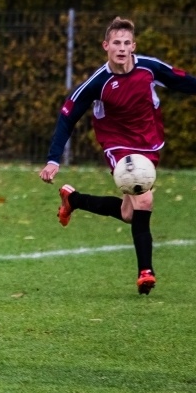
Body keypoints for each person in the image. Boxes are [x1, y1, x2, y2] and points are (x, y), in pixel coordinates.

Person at [39, 16, 196, 295]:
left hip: (149, 143)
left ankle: (73, 199)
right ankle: (145, 272)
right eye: (116, 43)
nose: (122, 48)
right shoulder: (98, 83)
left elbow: (181, 81)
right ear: (106, 46)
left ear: (133, 46)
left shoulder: (149, 68)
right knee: (144, 199)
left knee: (127, 213)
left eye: (126, 43)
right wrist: (53, 158)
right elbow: (67, 117)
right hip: (118, 145)